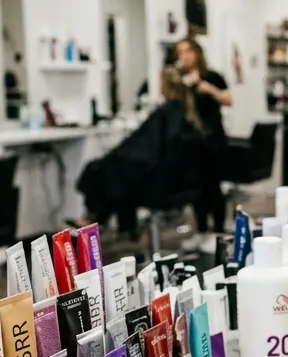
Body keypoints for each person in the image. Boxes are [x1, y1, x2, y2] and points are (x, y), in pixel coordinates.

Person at [76, 64, 205, 234]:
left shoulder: (165, 113)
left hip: (161, 186)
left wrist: (117, 156)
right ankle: (103, 220)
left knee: (107, 171)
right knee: (116, 173)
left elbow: (145, 151)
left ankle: (96, 218)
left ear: (165, 86)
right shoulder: (188, 114)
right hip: (179, 182)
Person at [174, 37, 232, 235]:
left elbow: (228, 99)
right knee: (196, 189)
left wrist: (208, 89)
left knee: (213, 187)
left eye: (187, 51)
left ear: (197, 53)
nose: (184, 56)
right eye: (180, 52)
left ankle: (218, 230)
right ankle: (201, 230)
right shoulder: (180, 81)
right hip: (192, 143)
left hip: (213, 141)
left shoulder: (212, 76)